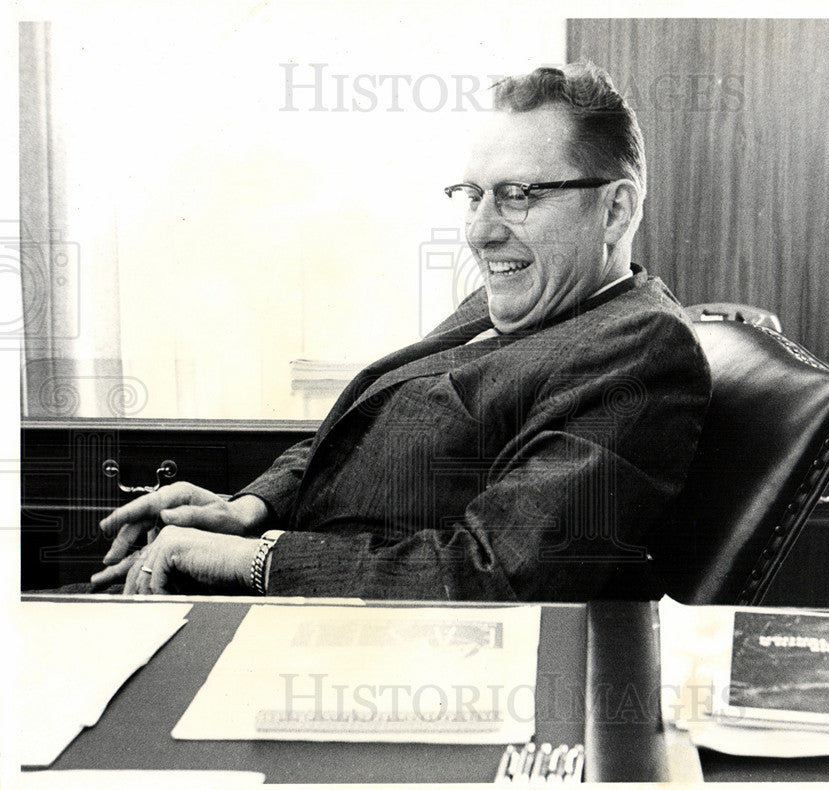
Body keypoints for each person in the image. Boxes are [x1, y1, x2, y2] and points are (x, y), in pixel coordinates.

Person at [92, 63, 711, 601]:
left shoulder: (642, 351)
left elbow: (491, 577)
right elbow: (371, 426)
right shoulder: (516, 298)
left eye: (517, 195)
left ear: (616, 210)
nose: (480, 231)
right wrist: (248, 509)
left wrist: (252, 559)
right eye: (473, 195)